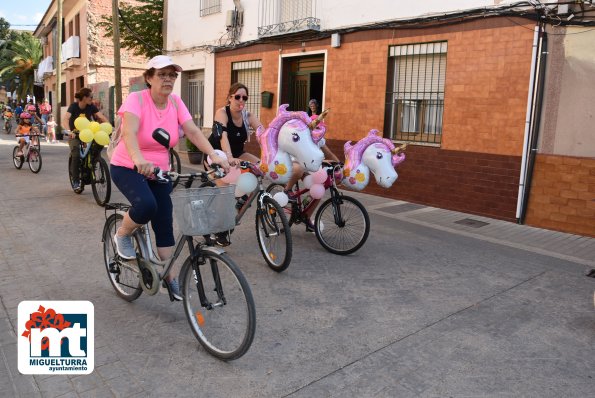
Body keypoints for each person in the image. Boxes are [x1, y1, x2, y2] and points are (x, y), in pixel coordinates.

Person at [109, 55, 230, 301]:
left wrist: (213, 155)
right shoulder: (137, 99)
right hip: (127, 165)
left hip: (160, 171)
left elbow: (193, 131)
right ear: (149, 78)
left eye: (172, 75)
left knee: (164, 224)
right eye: (162, 74)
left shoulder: (175, 102)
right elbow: (129, 132)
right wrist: (138, 159)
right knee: (146, 205)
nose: (168, 79)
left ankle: (171, 279)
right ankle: (122, 234)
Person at [206, 83, 263, 246]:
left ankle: (241, 200)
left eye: (244, 97)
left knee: (261, 167)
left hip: (238, 154)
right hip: (216, 155)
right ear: (230, 98)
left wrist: (272, 154)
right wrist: (229, 157)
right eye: (237, 96)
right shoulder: (222, 113)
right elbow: (222, 135)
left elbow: (263, 134)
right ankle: (220, 232)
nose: (241, 100)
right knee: (224, 191)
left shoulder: (248, 115)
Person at [285, 100, 340, 232]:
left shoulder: (320, 140)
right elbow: (306, 156)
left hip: (309, 167)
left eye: (320, 128)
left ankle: (307, 217)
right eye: (316, 127)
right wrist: (321, 161)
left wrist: (340, 166)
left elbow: (330, 154)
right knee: (298, 170)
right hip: (297, 162)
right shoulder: (305, 138)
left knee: (320, 187)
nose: (318, 131)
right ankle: (287, 190)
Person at [62, 88, 109, 193]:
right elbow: (65, 119)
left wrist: (110, 126)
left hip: (88, 132)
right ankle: (76, 181)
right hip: (75, 134)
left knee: (97, 148)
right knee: (76, 154)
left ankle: (94, 163)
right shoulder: (74, 106)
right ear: (84, 97)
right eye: (90, 97)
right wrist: (69, 131)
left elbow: (101, 117)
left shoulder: (91, 106)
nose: (92, 99)